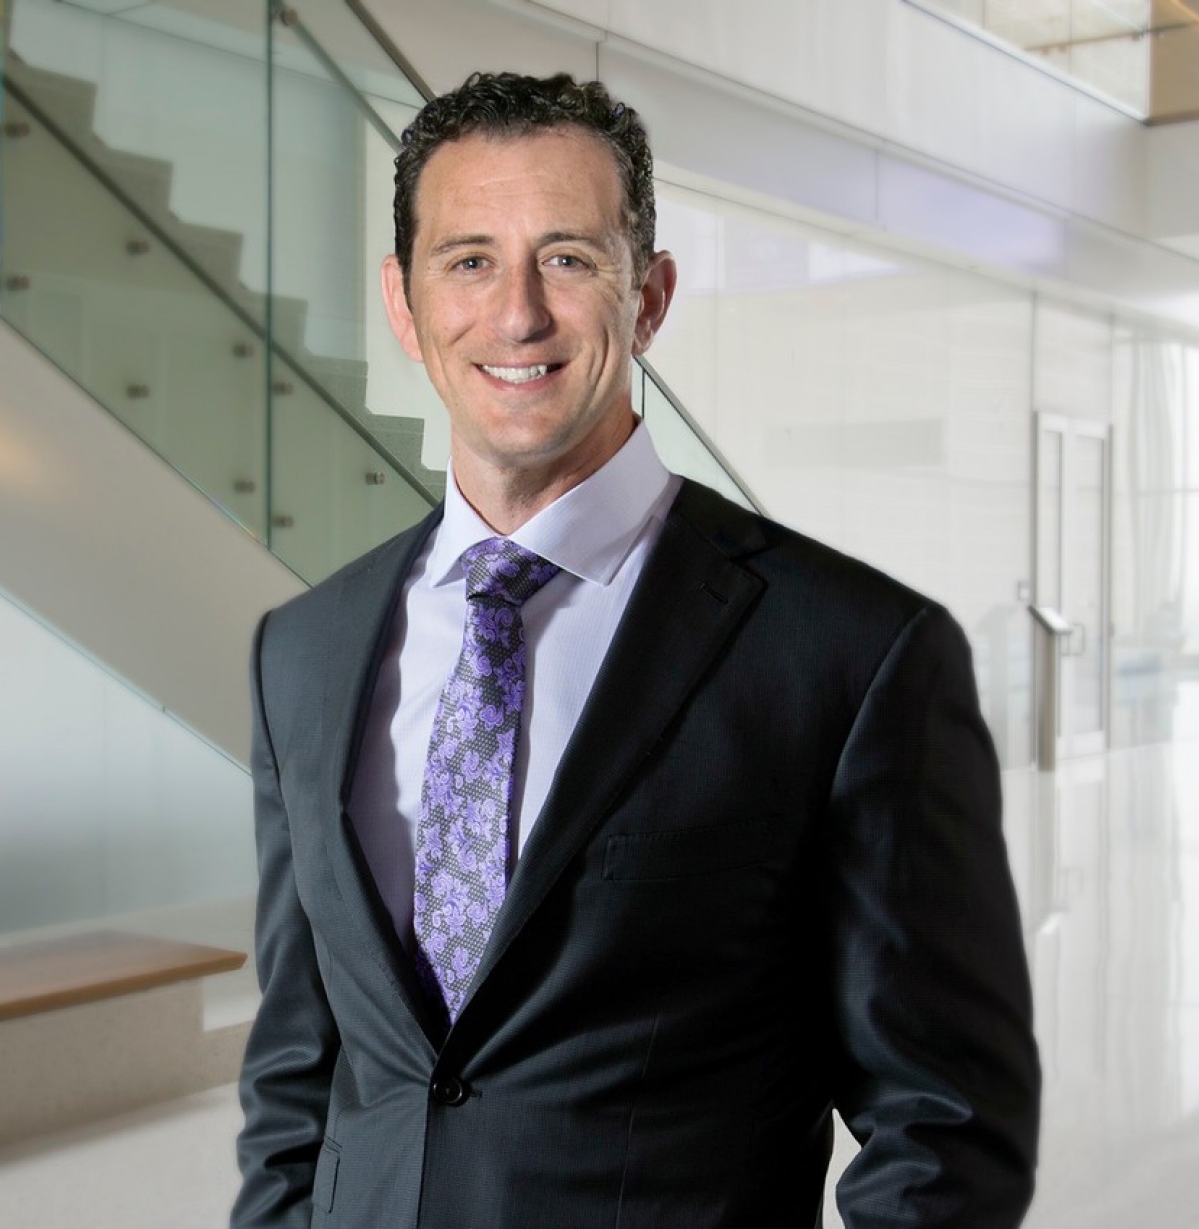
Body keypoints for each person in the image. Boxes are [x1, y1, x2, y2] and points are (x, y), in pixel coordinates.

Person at [232, 71, 1040, 1229]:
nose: (515, 315)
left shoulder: (851, 654)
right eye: (466, 260)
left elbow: (945, 1121)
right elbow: (297, 1079)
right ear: (402, 306)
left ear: (648, 296)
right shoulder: (303, 652)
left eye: (566, 258)